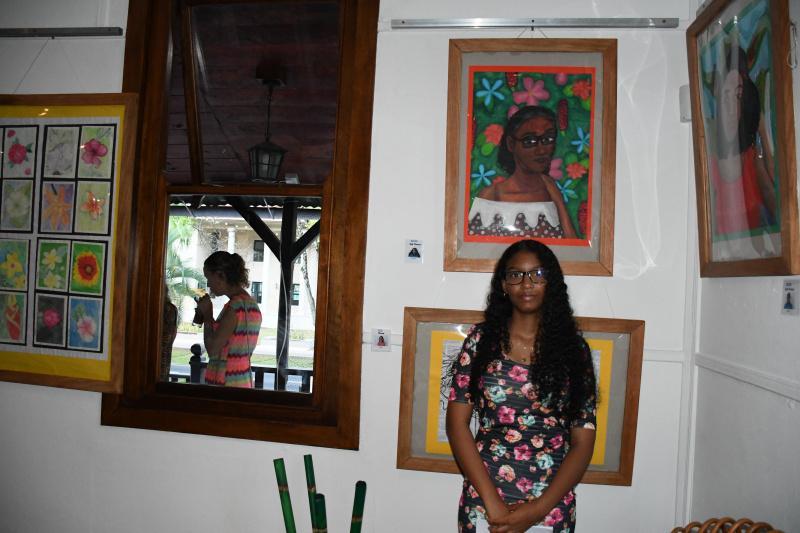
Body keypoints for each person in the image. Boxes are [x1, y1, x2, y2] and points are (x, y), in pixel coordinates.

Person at [446, 239, 596, 532]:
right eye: (516, 274)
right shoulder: (480, 342)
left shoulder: (574, 351)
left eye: (537, 274)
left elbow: (583, 441)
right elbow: (456, 425)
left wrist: (536, 510)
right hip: (485, 502)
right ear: (504, 285)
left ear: (551, 282)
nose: (526, 283)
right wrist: (494, 505)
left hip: (550, 506)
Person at [469, 106, 577, 239]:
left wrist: (558, 201)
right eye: (529, 141)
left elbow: (572, 245)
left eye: (548, 139)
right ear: (511, 144)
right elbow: (475, 247)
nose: (541, 150)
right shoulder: (491, 195)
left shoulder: (551, 191)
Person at [710, 45, 777, 237]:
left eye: (738, 96)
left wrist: (761, 130)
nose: (732, 108)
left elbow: (772, 190)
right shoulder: (709, 157)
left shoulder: (752, 155)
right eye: (726, 95)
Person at [195, 251, 262, 387]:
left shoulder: (235, 307)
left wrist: (208, 316)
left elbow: (213, 350)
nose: (208, 284)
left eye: (209, 278)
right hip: (242, 379)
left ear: (221, 275)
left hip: (226, 384)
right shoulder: (251, 305)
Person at [160, 285, 178, 381]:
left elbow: (171, 333)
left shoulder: (168, 308)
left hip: (162, 351)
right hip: (165, 351)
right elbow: (173, 333)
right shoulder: (170, 308)